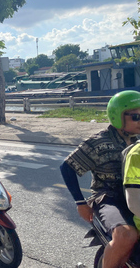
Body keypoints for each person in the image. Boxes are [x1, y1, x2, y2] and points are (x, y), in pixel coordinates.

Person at [60, 90, 140, 268]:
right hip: (108, 198)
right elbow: (67, 167)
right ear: (118, 116)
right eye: (136, 116)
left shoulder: (137, 141)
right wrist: (80, 203)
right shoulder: (99, 142)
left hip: (135, 196)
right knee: (127, 235)